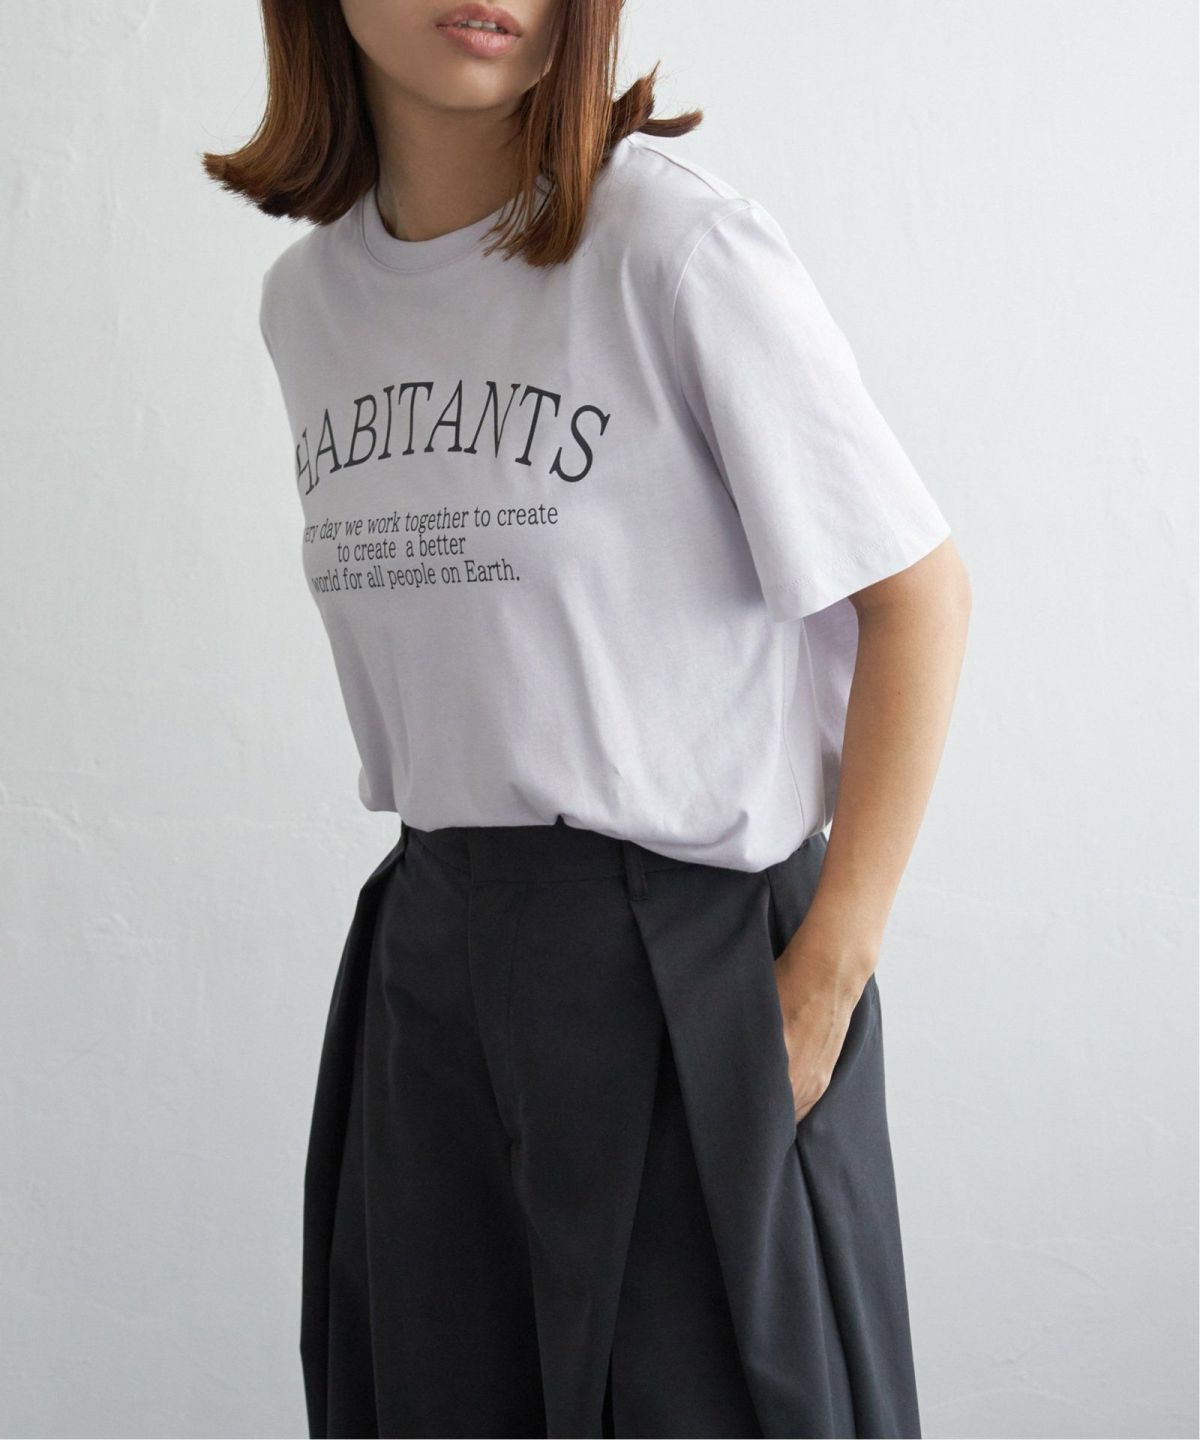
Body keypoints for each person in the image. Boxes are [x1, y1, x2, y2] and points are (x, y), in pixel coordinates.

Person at [205, 1, 971, 1435]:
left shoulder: (671, 249)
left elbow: (917, 596)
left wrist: (823, 981)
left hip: (685, 963)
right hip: (431, 966)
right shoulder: (308, 305)